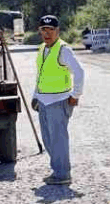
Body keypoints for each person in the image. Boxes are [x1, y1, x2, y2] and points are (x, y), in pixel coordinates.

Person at [32, 15, 85, 185]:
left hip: (59, 101)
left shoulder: (63, 50)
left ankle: (63, 174)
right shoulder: (42, 48)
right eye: (44, 30)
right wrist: (35, 96)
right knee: (48, 139)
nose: (47, 33)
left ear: (58, 31)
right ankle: (58, 170)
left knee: (58, 139)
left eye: (51, 30)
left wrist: (75, 96)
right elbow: (41, 75)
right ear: (40, 31)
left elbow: (79, 72)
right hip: (44, 101)